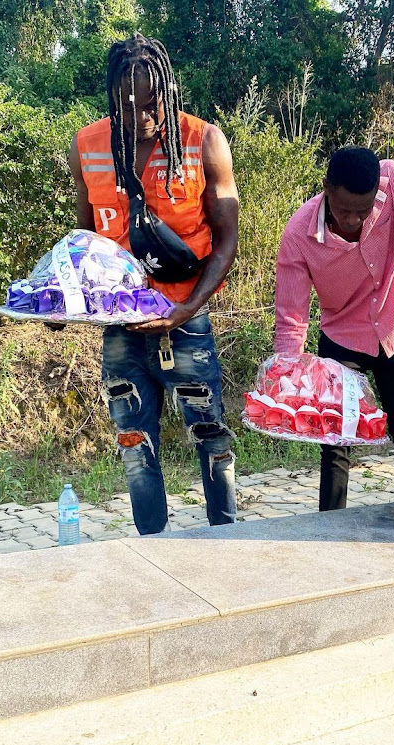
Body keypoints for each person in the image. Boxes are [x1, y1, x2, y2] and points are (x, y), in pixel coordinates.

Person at [68, 34, 239, 535]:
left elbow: (227, 242)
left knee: (210, 436)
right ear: (111, 96)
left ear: (168, 90)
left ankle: (227, 539)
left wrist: (188, 308)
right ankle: (151, 550)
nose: (141, 115)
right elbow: (83, 243)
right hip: (121, 330)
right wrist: (65, 302)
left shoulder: (203, 140)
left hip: (186, 321)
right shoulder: (88, 146)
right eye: (127, 104)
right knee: (135, 445)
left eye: (151, 103)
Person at [275, 146, 394, 510]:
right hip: (341, 340)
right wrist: (288, 375)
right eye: (344, 210)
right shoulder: (299, 233)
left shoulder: (393, 181)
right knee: (336, 440)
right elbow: (291, 316)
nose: (353, 220)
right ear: (327, 188)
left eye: (363, 212)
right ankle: (330, 528)